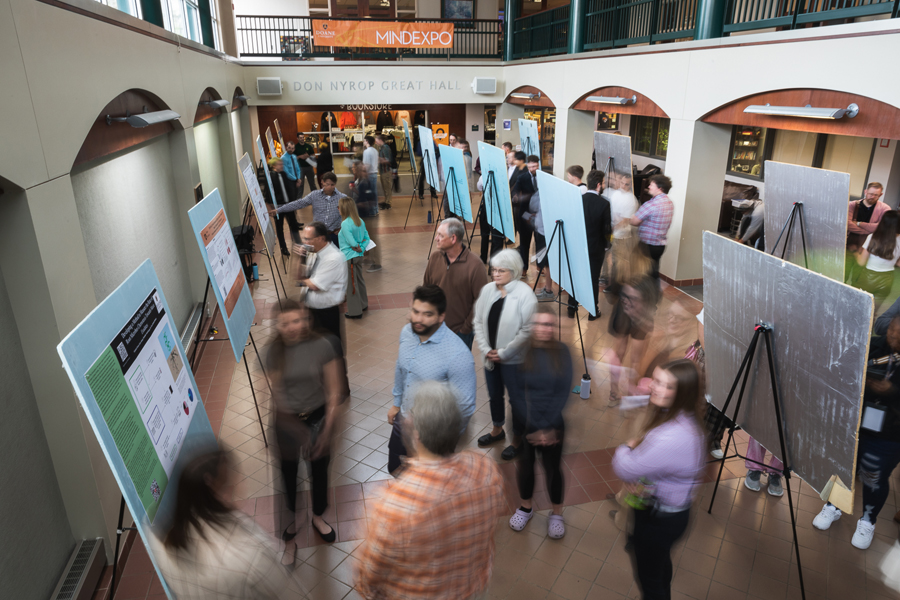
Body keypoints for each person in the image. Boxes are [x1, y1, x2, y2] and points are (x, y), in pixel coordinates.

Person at [357, 381, 506, 600]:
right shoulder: (485, 470)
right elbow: (491, 532)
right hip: (468, 590)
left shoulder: (392, 505)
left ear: (417, 434)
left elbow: (367, 578)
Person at [612, 359, 706, 600]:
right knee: (659, 567)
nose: (654, 387)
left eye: (663, 384)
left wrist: (627, 445)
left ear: (682, 393)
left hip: (659, 521)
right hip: (670, 512)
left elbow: (623, 467)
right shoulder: (685, 416)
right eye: (655, 380)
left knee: (650, 580)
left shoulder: (672, 438)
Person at [148, 451, 300, 598]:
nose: (239, 482)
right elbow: (286, 591)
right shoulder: (249, 551)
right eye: (233, 476)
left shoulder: (163, 540)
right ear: (213, 486)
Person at [813, 314, 900, 549]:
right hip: (854, 422)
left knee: (873, 476)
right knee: (842, 466)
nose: (893, 336)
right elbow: (842, 366)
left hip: (890, 433)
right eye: (892, 329)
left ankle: (868, 520)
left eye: (899, 334)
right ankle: (834, 506)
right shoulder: (871, 345)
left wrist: (888, 390)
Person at [268, 301, 343, 559]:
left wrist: (326, 429)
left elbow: (334, 391)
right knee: (288, 472)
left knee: (320, 468)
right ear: (277, 325)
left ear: (307, 320)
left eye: (297, 321)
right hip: (287, 418)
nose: (292, 327)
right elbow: (275, 392)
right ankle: (292, 517)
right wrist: (291, 427)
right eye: (285, 323)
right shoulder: (273, 351)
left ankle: (318, 516)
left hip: (318, 414)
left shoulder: (324, 345)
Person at [387, 285, 477, 474]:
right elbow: (402, 369)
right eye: (415, 312)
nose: (418, 319)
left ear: (441, 316)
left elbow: (466, 405)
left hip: (433, 435)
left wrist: (445, 442)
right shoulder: (406, 333)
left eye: (427, 314)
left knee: (429, 484)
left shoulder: (457, 354)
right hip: (403, 420)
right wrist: (396, 403)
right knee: (396, 468)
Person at [507, 304, 573, 538]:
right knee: (525, 467)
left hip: (554, 424)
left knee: (553, 469)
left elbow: (563, 392)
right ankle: (526, 507)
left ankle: (556, 513)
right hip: (526, 423)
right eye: (538, 324)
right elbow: (516, 394)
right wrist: (534, 427)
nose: (543, 329)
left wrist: (547, 427)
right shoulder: (520, 352)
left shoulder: (562, 352)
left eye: (548, 324)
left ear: (554, 327)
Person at [473, 250, 538, 461]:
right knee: (494, 395)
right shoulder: (488, 290)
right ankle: (497, 429)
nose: (495, 274)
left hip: (514, 360)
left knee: (517, 400)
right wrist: (485, 349)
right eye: (493, 270)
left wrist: (504, 353)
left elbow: (527, 331)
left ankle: (518, 440)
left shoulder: (525, 295)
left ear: (515, 271)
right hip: (490, 357)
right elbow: (478, 321)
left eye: (502, 270)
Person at [423, 218, 489, 350]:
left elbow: (481, 302)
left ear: (453, 239)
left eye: (440, 235)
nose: (436, 238)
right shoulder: (435, 258)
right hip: (434, 330)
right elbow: (426, 291)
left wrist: (465, 330)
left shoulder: (475, 266)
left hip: (460, 334)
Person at [608, 274, 660, 407]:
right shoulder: (626, 271)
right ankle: (614, 392)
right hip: (623, 314)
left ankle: (629, 395)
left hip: (640, 315)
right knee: (619, 354)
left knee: (635, 359)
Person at [567, 169, 611, 321]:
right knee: (593, 279)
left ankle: (571, 308)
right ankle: (593, 311)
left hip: (578, 245)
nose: (605, 185)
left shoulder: (577, 199)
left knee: (575, 276)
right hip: (595, 247)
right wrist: (606, 246)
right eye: (604, 182)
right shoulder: (604, 204)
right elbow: (606, 229)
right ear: (599, 185)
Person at [623, 174, 674, 285]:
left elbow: (634, 222)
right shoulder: (669, 203)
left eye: (651, 184)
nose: (649, 186)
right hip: (660, 245)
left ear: (660, 188)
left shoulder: (651, 204)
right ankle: (653, 297)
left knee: (639, 272)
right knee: (653, 272)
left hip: (647, 245)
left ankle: (642, 296)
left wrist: (629, 217)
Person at [270, 172, 346, 246]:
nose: (330, 187)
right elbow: (298, 204)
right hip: (317, 236)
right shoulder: (315, 195)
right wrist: (279, 210)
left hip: (334, 236)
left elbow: (352, 215)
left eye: (332, 185)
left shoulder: (342, 198)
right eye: (327, 184)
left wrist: (343, 228)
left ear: (335, 184)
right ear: (322, 182)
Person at [850, 210, 900, 311]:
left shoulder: (873, 237)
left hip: (867, 278)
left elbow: (861, 262)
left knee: (857, 308)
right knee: (873, 312)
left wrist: (855, 252)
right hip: (887, 279)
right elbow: (898, 263)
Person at [601, 170, 639, 287]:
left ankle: (615, 285)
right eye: (621, 182)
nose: (623, 185)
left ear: (630, 185)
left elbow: (625, 220)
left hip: (621, 234)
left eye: (626, 184)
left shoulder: (631, 200)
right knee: (605, 254)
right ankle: (604, 277)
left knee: (618, 260)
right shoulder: (616, 194)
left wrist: (614, 227)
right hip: (611, 230)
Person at [338, 196, 370, 319]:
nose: (338, 210)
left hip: (349, 257)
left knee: (351, 284)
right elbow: (367, 237)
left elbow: (351, 242)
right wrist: (361, 247)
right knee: (359, 280)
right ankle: (363, 304)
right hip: (358, 256)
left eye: (339, 207)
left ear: (344, 209)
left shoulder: (345, 223)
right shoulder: (360, 221)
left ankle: (355, 311)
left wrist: (356, 246)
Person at [350, 161, 382, 272]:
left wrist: (357, 204)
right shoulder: (361, 182)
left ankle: (377, 263)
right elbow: (362, 196)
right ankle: (368, 257)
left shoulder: (367, 183)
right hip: (361, 216)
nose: (365, 173)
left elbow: (370, 199)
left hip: (368, 216)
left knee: (372, 239)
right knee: (364, 238)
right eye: (363, 171)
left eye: (365, 171)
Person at [510, 153, 538, 269]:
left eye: (535, 166)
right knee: (524, 242)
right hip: (526, 214)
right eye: (530, 167)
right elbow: (515, 191)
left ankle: (540, 266)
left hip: (539, 215)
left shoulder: (544, 177)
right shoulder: (522, 177)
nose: (532, 169)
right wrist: (516, 197)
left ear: (538, 165)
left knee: (540, 243)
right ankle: (524, 267)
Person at [269, 157, 301, 255]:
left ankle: (299, 244)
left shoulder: (283, 174)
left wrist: (292, 201)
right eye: (279, 164)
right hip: (278, 206)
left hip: (288, 205)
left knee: (293, 224)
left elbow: (289, 188)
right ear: (274, 166)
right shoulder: (270, 177)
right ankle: (283, 248)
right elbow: (269, 193)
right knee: (280, 227)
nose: (282, 166)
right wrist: (272, 207)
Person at [848, 182, 890, 252]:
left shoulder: (885, 208)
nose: (872, 197)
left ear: (881, 194)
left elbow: (882, 227)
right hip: (850, 242)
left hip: (870, 244)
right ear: (865, 192)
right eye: (871, 194)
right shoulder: (853, 205)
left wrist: (859, 224)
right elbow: (847, 224)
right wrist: (868, 231)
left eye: (876, 195)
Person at [375, 134, 394, 209]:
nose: (376, 142)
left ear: (380, 140)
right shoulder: (382, 148)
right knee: (385, 187)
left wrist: (378, 159)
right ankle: (386, 201)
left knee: (387, 187)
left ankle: (388, 203)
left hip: (386, 171)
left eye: (377, 141)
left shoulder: (385, 148)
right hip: (383, 171)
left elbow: (388, 160)